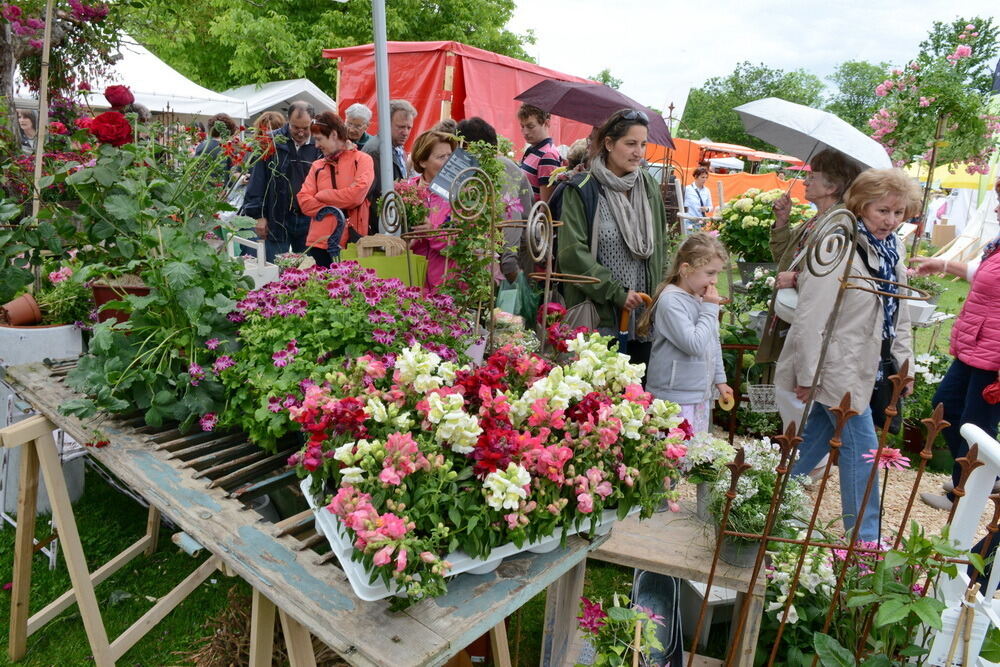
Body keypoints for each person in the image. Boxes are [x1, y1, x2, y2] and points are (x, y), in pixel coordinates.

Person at [777, 168, 917, 542]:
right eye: (882, 210)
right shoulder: (839, 246)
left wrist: (906, 367)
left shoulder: (892, 250)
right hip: (834, 367)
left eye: (898, 212)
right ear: (861, 204)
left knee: (814, 443)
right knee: (863, 449)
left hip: (868, 364)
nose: (890, 220)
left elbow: (898, 313)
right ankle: (864, 540)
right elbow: (810, 316)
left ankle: (763, 500)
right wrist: (807, 375)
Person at [557, 108, 667, 369]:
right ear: (608, 143)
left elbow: (660, 245)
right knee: (598, 400)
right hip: (600, 317)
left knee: (638, 396)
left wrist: (661, 295)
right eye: (630, 144)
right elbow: (571, 254)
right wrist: (615, 292)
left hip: (643, 318)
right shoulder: (582, 188)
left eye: (642, 144)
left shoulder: (648, 186)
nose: (638, 152)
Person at [914, 178, 1000, 511]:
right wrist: (944, 264)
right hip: (977, 346)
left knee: (976, 427)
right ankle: (974, 478)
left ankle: (965, 496)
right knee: (947, 408)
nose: (996, 207)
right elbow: (985, 275)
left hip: (993, 357)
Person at [758, 149, 864, 370]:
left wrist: (796, 278)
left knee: (803, 386)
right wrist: (782, 220)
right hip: (800, 316)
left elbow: (836, 276)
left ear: (831, 187)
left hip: (815, 323)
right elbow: (784, 259)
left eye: (812, 177)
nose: (805, 182)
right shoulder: (818, 219)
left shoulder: (840, 223)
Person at [639, 232, 734, 433]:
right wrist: (709, 309)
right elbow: (694, 344)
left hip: (697, 394)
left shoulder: (699, 298)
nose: (715, 281)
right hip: (674, 398)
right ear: (685, 269)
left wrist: (720, 380)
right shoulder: (671, 302)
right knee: (675, 456)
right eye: (709, 273)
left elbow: (712, 341)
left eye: (718, 273)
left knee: (695, 455)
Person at [455, 116, 534, 282]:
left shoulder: (500, 169)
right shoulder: (474, 170)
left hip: (512, 259)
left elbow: (511, 215)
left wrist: (509, 264)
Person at [243, 100, 323, 262]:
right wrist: (258, 215)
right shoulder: (270, 141)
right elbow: (257, 182)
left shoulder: (319, 144)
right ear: (288, 121)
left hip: (308, 218)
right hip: (276, 217)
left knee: (307, 269)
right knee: (274, 267)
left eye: (305, 128)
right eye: (295, 127)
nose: (300, 133)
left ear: (312, 122)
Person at [297, 111, 374, 267]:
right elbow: (304, 201)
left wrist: (323, 195)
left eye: (319, 139)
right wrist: (338, 203)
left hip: (352, 241)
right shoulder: (317, 165)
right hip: (319, 243)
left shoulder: (362, 160)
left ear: (333, 134)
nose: (316, 145)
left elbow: (356, 196)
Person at [406, 130, 461, 288]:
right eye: (440, 157)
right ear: (423, 162)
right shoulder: (406, 190)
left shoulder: (461, 194)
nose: (448, 162)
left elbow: (464, 242)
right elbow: (392, 233)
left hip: (447, 283)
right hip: (411, 280)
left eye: (449, 156)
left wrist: (433, 232)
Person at [364, 99, 417, 234]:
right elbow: (377, 198)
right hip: (383, 229)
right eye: (400, 127)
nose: (405, 132)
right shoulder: (377, 151)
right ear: (385, 124)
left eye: (408, 127)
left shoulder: (398, 149)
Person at [517, 104, 562, 202]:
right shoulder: (533, 149)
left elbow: (545, 205)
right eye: (522, 126)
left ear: (547, 123)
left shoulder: (548, 155)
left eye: (530, 126)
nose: (525, 132)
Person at [195, 113, 239, 184]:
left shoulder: (201, 145)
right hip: (219, 190)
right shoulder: (227, 149)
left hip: (200, 187)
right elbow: (231, 175)